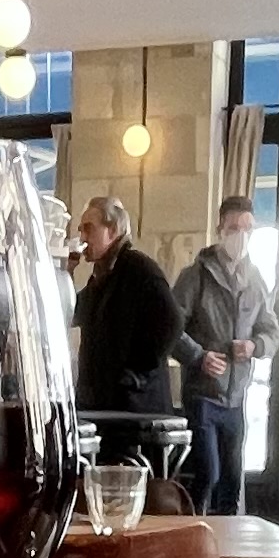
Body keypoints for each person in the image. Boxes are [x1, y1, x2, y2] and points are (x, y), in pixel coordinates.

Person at [170, 196, 279, 518]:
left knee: (232, 482)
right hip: (202, 394)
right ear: (220, 229)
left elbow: (272, 331)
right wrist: (199, 356)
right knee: (208, 475)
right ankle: (193, 534)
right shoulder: (195, 276)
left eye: (248, 229)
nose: (241, 236)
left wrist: (255, 346)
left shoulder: (255, 280)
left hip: (236, 398)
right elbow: (170, 328)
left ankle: (230, 544)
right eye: (234, 228)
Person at [72, 194, 181, 460]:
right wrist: (66, 272)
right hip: (108, 409)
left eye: (89, 228)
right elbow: (71, 313)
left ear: (112, 230)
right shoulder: (101, 276)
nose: (82, 236)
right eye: (81, 229)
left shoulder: (138, 268)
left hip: (134, 412)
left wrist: (135, 375)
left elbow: (172, 322)